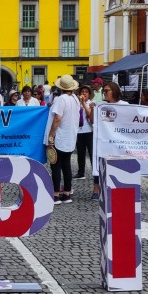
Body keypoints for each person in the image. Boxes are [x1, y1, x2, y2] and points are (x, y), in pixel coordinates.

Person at [44, 75, 81, 204]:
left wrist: (50, 135)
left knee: (56, 166)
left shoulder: (61, 99)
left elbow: (57, 119)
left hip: (60, 136)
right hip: (70, 136)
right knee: (66, 166)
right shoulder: (76, 99)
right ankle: (67, 193)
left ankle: (56, 195)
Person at [91, 81, 130, 200]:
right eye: (104, 91)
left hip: (119, 140)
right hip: (104, 140)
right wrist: (92, 109)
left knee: (119, 163)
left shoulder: (125, 104)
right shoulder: (101, 105)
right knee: (99, 161)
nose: (105, 93)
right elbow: (93, 120)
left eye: (107, 90)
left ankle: (117, 187)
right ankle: (96, 189)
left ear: (115, 91)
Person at [74, 85, 94, 180]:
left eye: (86, 92)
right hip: (79, 131)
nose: (84, 93)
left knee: (91, 153)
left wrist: (84, 103)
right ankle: (81, 172)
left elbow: (89, 114)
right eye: (82, 92)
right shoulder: (76, 104)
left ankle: (95, 172)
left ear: (89, 95)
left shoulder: (90, 103)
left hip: (89, 131)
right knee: (80, 153)